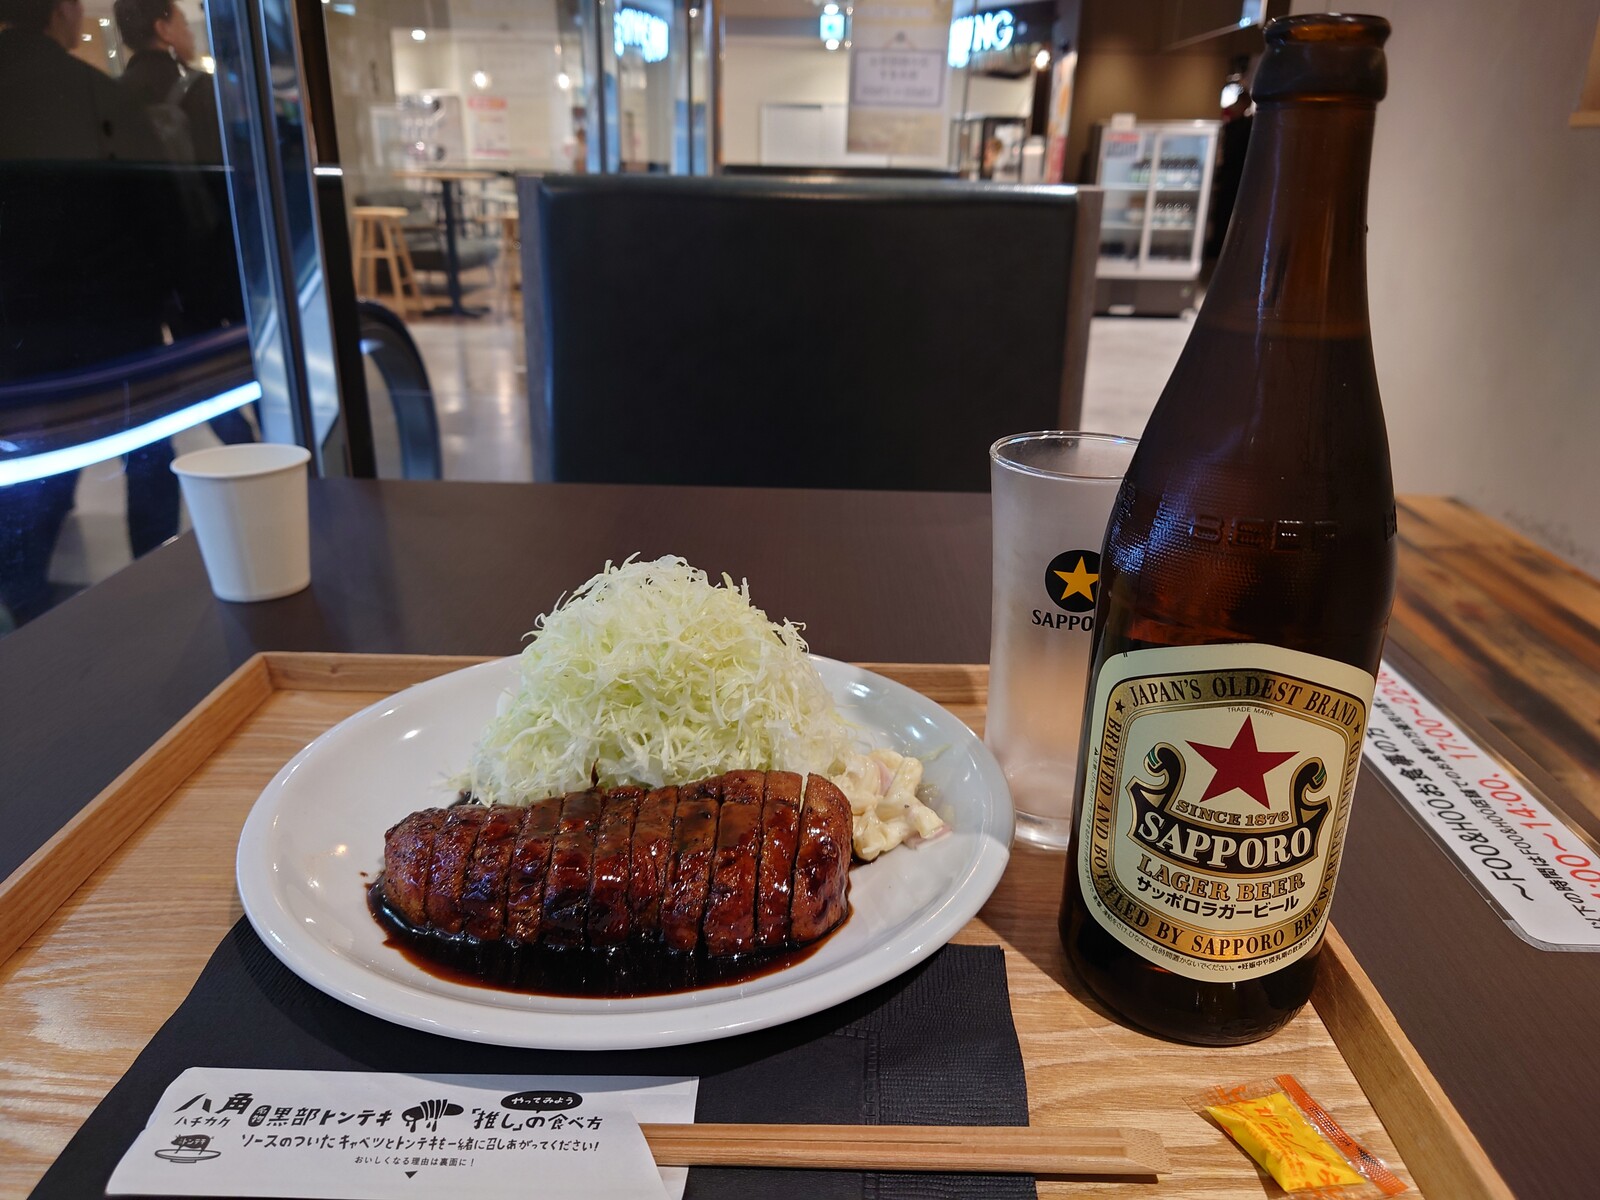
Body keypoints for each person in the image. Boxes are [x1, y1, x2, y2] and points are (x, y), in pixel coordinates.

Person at [0, 0, 180, 627]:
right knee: (148, 455)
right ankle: (157, 598)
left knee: (31, 469)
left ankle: (25, 615)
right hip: (115, 326)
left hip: (14, 338)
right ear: (63, 13)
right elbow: (162, 216)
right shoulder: (98, 94)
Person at [113, 0, 223, 164]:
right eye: (185, 24)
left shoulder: (112, 93)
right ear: (163, 30)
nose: (191, 34)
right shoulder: (201, 88)